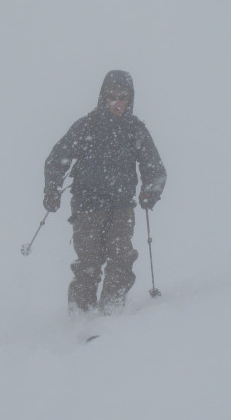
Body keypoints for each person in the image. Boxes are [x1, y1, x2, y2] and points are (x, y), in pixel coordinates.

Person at [43, 70, 166, 315]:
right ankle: (80, 315)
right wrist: (52, 190)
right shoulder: (87, 125)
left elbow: (154, 166)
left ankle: (112, 310)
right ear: (103, 97)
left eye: (123, 97)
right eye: (112, 97)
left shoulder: (134, 129)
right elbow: (58, 157)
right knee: (88, 263)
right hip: (87, 205)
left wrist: (150, 192)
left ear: (130, 99)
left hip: (122, 206)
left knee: (121, 258)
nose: (117, 103)